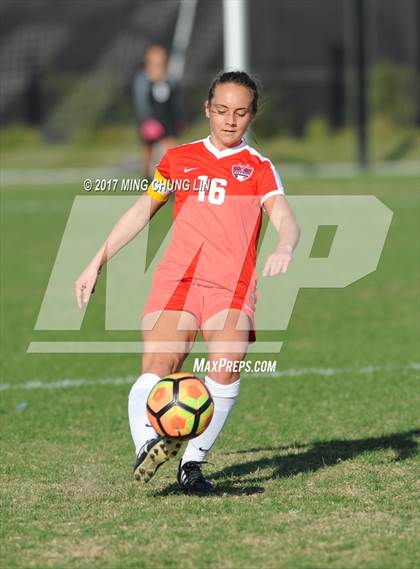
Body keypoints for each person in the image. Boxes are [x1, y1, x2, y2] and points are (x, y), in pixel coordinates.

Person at [75, 71, 300, 494]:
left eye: (240, 113)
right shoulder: (180, 159)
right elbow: (143, 211)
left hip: (231, 286)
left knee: (226, 368)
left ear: (252, 116)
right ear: (207, 110)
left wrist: (285, 246)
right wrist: (96, 261)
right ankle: (149, 445)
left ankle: (192, 464)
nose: (230, 121)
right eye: (221, 111)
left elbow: (285, 217)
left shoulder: (259, 168)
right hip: (179, 279)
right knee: (160, 368)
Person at [133, 44, 185, 178]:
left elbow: (175, 102)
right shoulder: (143, 80)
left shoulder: (170, 79)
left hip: (167, 121)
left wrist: (179, 119)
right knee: (148, 152)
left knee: (170, 150)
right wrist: (146, 120)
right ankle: (146, 178)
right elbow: (141, 103)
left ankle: (170, 179)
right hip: (151, 121)